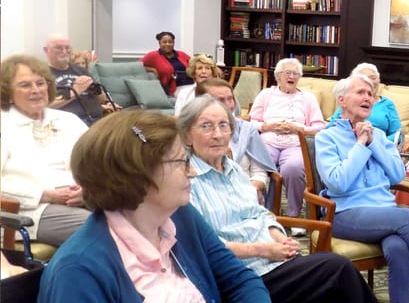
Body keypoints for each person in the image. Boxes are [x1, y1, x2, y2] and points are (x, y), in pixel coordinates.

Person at [38, 110, 270, 302]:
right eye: (182, 162)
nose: (193, 172)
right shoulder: (79, 270)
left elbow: (240, 280)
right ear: (137, 174)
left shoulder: (181, 217)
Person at [179, 95, 376, 303]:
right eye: (206, 126)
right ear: (187, 136)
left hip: (274, 261)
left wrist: (281, 239)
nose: (217, 134)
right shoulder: (186, 182)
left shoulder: (233, 169)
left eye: (223, 126)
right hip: (244, 275)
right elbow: (207, 246)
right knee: (337, 270)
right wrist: (265, 250)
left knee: (333, 291)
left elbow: (260, 214)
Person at [315, 74, 409, 303]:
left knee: (398, 249)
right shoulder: (327, 137)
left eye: (370, 94)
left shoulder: (380, 136)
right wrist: (360, 145)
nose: (368, 97)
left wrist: (373, 142)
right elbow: (338, 182)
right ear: (342, 100)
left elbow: (397, 174)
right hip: (345, 213)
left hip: (384, 212)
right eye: (361, 92)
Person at [0, 55, 91, 248]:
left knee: (141, 212)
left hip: (84, 199)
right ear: (7, 92)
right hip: (30, 210)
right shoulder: (3, 125)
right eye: (25, 85)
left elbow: (99, 163)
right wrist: (45, 195)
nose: (36, 91)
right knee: (100, 229)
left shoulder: (68, 120)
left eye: (40, 83)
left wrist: (89, 190)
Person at [249, 58, 326, 235]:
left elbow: (320, 127)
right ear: (278, 76)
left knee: (294, 168)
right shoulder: (266, 95)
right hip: (267, 143)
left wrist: (298, 129)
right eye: (287, 73)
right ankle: (263, 214)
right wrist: (268, 126)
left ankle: (293, 216)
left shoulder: (307, 98)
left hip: (295, 145)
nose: (291, 76)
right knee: (260, 167)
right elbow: (251, 123)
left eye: (295, 74)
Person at [196, 77, 278, 207]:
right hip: (205, 200)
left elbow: (259, 173)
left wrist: (254, 187)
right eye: (220, 100)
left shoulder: (247, 129)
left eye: (230, 98)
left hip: (246, 196)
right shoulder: (193, 134)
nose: (228, 105)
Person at [44, 34, 117, 125]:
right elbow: (44, 106)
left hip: (98, 119)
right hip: (69, 123)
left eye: (67, 48)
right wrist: (75, 91)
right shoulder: (42, 74)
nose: (64, 51)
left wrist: (106, 101)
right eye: (58, 48)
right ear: (46, 50)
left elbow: (101, 98)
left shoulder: (80, 70)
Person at [330, 63, 401, 142]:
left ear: (379, 80)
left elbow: (398, 135)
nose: (369, 81)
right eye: (360, 92)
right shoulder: (348, 105)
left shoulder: (387, 104)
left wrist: (377, 142)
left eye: (373, 78)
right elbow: (331, 127)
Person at [139, 31, 192, 96]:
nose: (168, 44)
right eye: (164, 42)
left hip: (190, 84)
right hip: (174, 88)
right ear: (159, 43)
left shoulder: (181, 54)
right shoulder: (153, 55)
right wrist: (152, 69)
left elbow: (194, 63)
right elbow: (136, 66)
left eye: (170, 42)